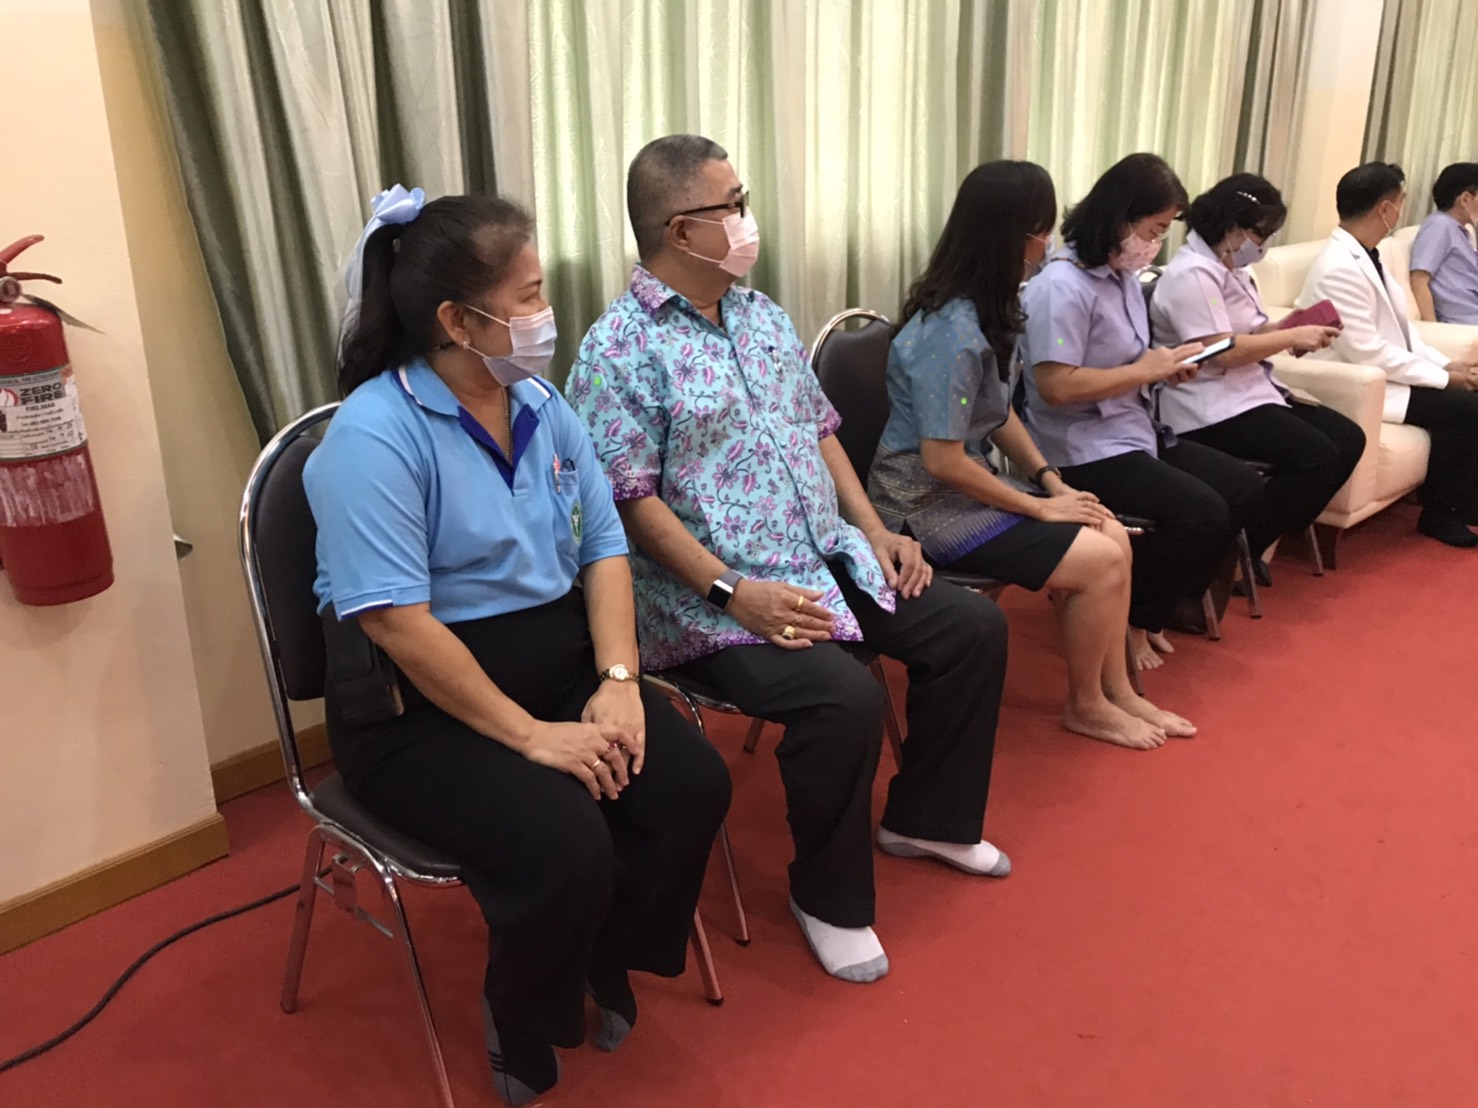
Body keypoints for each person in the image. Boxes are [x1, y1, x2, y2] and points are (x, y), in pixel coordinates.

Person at [303, 187, 731, 1107]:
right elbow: (396, 624)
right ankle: (522, 1008)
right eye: (529, 296)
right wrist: (534, 738)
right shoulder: (372, 437)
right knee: (565, 842)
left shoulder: (537, 401)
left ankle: (601, 950)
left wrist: (619, 680)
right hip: (416, 710)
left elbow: (603, 545)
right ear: (458, 321)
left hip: (557, 664)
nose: (546, 313)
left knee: (689, 784)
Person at [567, 134, 1009, 986]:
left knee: (971, 629)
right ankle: (828, 898)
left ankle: (927, 818)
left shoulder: (761, 315)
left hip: (818, 552)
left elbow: (821, 431)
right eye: (731, 205)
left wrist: (873, 529)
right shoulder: (619, 347)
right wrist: (733, 591)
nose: (747, 219)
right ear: (680, 229)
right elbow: (627, 502)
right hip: (706, 594)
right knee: (842, 699)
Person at [870, 159, 1194, 750]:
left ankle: (1118, 691)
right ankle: (1087, 704)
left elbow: (996, 414)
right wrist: (1040, 508)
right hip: (920, 506)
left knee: (1110, 534)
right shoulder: (949, 330)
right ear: (1014, 236)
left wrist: (1049, 480)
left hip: (962, 483)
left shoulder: (984, 307)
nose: (1048, 242)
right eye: (1042, 229)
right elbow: (941, 460)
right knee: (1100, 558)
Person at [1017, 153, 1265, 669]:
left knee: (1242, 487)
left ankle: (1150, 606)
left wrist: (1165, 367)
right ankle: (1130, 617)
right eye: (1153, 230)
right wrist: (1143, 371)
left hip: (1133, 427)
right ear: (1119, 218)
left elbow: (1129, 359)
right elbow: (1055, 386)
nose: (1155, 244)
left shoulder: (1122, 276)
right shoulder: (1060, 287)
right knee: (1200, 512)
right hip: (1080, 448)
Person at [1150, 173, 1365, 581]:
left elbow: (1247, 331)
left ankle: (1255, 541)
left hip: (1248, 390)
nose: (1262, 245)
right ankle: (1239, 551)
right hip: (1204, 405)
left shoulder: (1230, 266)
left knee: (1348, 439)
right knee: (1317, 455)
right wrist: (1289, 337)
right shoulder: (1193, 274)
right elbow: (1222, 351)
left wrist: (1288, 329)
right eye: (1259, 234)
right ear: (1230, 225)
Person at [1296, 162, 1478, 547]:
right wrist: (1445, 378)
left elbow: (1404, 333)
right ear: (1384, 208)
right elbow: (1367, 352)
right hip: (1359, 382)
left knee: (1468, 394)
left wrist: (1446, 363)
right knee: (1465, 407)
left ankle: (1464, 502)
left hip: (1386, 372)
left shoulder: (1369, 255)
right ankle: (1440, 513)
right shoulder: (1338, 268)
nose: (1401, 211)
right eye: (1400, 203)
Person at [1409, 162, 1478, 324]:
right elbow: (1419, 279)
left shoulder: (1462, 232)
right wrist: (1433, 328)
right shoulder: (1439, 225)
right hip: (1464, 323)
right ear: (1466, 199)